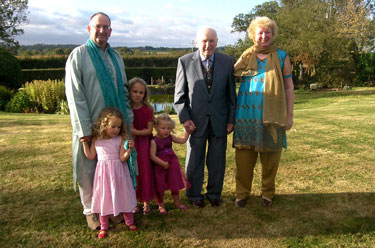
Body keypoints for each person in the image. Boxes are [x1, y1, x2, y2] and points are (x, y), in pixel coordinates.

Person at [65, 12, 133, 230]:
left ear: (110, 31)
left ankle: (112, 208)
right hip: (91, 124)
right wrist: (84, 129)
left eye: (106, 27)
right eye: (98, 26)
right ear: (89, 29)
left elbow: (123, 89)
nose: (102, 30)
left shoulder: (116, 57)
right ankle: (90, 211)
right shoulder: (79, 55)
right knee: (89, 169)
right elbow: (75, 96)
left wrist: (127, 121)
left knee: (114, 168)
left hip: (115, 127)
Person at [232, 16, 295, 208]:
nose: (264, 36)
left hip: (273, 115)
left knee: (270, 158)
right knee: (243, 159)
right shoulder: (245, 56)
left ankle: (268, 193)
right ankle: (242, 193)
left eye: (268, 32)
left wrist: (289, 115)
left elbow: (289, 87)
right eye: (260, 32)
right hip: (246, 116)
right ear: (253, 34)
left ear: (273, 34)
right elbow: (229, 80)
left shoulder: (282, 56)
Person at [174, 27, 237, 208]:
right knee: (194, 160)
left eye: (211, 41)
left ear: (217, 42)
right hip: (195, 122)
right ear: (196, 42)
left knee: (217, 160)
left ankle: (214, 193)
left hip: (220, 121)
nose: (207, 45)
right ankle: (194, 195)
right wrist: (185, 119)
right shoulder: (185, 62)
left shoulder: (227, 62)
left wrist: (231, 119)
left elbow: (231, 94)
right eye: (203, 40)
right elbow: (179, 96)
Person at [81, 107, 138, 238]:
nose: (116, 130)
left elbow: (123, 159)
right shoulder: (97, 140)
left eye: (119, 127)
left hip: (119, 174)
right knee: (104, 198)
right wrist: (85, 144)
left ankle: (129, 221)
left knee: (124, 195)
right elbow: (90, 156)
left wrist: (129, 150)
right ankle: (104, 226)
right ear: (104, 124)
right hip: (103, 175)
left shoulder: (120, 139)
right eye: (113, 126)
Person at [150, 113, 191, 214]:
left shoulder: (170, 137)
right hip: (160, 167)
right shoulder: (154, 141)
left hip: (172, 165)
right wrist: (163, 163)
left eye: (169, 128)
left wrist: (187, 133)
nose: (166, 131)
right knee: (160, 186)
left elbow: (182, 141)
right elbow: (152, 156)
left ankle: (177, 202)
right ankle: (161, 205)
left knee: (174, 184)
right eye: (163, 128)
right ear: (156, 127)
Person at [128, 77, 155, 215]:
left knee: (144, 171)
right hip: (131, 144)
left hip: (144, 144)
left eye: (141, 92)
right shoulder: (126, 108)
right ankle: (133, 201)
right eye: (135, 91)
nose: (138, 95)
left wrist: (134, 132)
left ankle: (146, 201)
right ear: (129, 92)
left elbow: (149, 130)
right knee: (132, 171)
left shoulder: (147, 109)